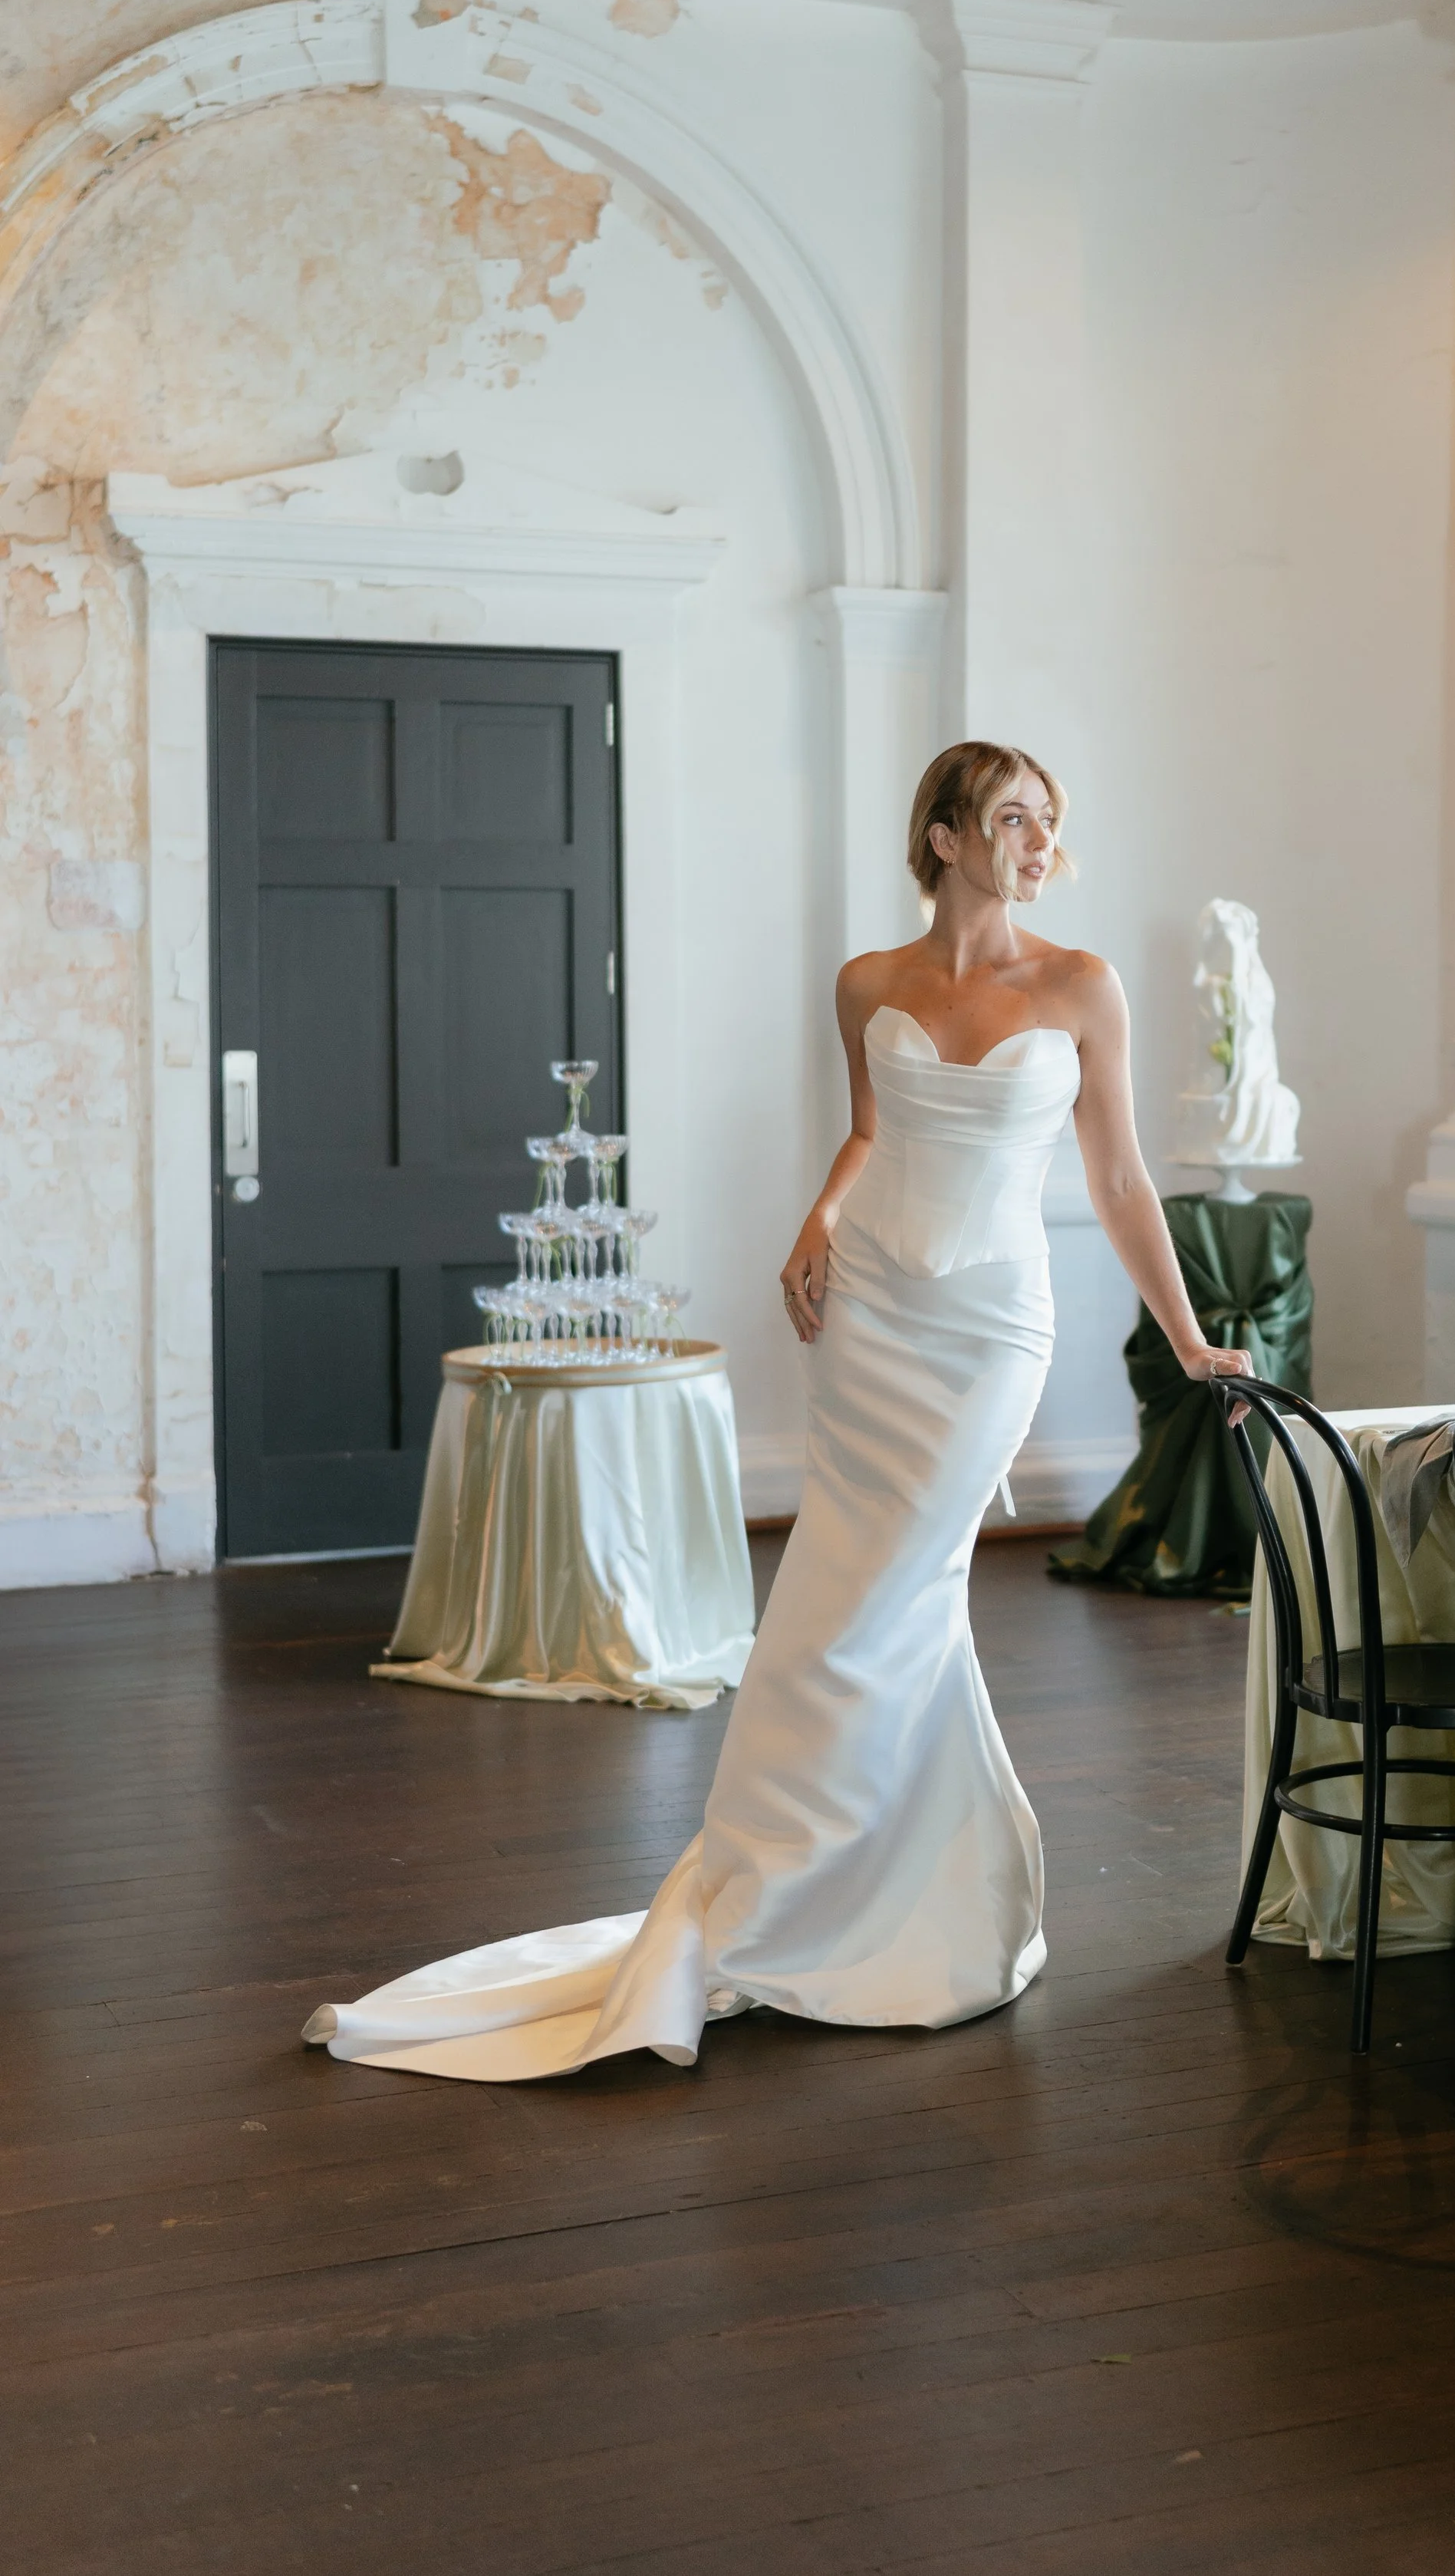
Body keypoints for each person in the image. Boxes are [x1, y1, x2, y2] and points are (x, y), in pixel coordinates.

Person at [304, 743, 1254, 2078]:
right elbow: (872, 1132)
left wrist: (1190, 1330)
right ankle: (857, 1886)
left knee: (900, 1596)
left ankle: (812, 1892)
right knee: (839, 1595)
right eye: (1011, 818)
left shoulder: (1083, 986)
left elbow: (1119, 1180)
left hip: (992, 1330)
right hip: (870, 1319)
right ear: (940, 835)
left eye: (1051, 822)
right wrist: (815, 1217)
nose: (1039, 842)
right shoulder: (869, 982)